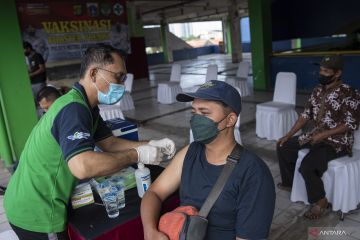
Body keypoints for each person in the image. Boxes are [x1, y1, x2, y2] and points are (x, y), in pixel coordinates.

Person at [4, 44, 176, 240]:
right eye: (118, 77)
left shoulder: (86, 107)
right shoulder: (73, 109)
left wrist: (152, 144)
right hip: (37, 209)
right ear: (94, 73)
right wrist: (136, 154)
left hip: (29, 196)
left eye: (124, 78)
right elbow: (83, 167)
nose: (121, 84)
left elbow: (109, 143)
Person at [141, 80, 275, 240]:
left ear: (230, 120)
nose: (196, 120)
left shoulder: (253, 173)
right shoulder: (190, 152)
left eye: (204, 113)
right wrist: (149, 231)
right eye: (194, 113)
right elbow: (154, 192)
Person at [277, 55, 360, 219]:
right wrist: (288, 135)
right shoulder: (317, 90)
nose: (321, 73)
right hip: (315, 136)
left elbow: (352, 123)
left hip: (337, 142)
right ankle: (290, 183)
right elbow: (305, 115)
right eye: (321, 70)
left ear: (337, 74)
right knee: (284, 146)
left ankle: (321, 201)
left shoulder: (349, 93)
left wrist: (325, 134)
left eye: (326, 71)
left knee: (307, 166)